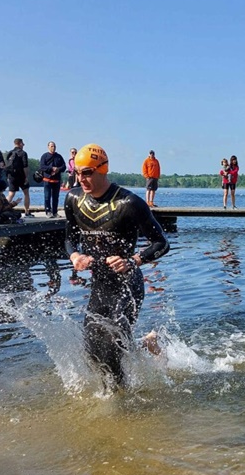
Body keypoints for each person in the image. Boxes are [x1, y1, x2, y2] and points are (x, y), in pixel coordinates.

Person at [64, 143, 170, 389]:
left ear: (103, 169)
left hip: (127, 285)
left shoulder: (129, 203)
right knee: (91, 351)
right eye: (78, 172)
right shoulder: (73, 199)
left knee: (113, 350)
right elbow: (69, 238)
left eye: (88, 172)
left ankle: (121, 406)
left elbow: (161, 243)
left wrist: (133, 260)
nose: (82, 178)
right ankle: (147, 343)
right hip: (100, 285)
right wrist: (74, 256)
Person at [39, 141, 66, 217]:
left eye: (54, 146)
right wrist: (51, 168)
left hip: (56, 180)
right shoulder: (44, 156)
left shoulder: (59, 156)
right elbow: (42, 166)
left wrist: (58, 169)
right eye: (51, 146)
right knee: (47, 196)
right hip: (47, 180)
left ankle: (55, 212)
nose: (53, 148)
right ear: (48, 147)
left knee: (56, 197)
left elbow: (64, 167)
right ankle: (48, 211)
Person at [5, 137, 31, 216]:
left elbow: (7, 165)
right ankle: (27, 211)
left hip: (11, 176)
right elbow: (25, 166)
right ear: (20, 144)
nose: (23, 145)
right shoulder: (23, 153)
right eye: (22, 143)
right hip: (21, 176)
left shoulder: (10, 153)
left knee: (11, 194)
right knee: (26, 193)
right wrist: (26, 177)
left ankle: (1, 208)